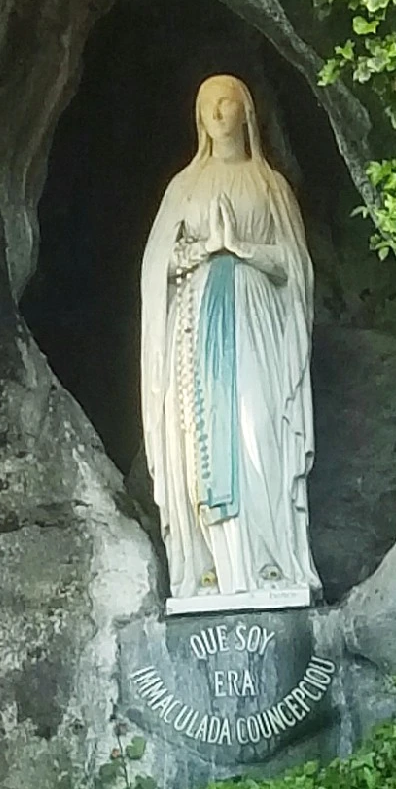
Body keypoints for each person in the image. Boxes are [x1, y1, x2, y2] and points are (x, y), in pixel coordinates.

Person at [140, 74, 320, 604]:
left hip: (257, 324)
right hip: (197, 331)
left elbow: (294, 265)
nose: (218, 113)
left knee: (257, 429)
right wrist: (201, 252)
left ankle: (270, 563)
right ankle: (216, 569)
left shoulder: (270, 186)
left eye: (227, 103)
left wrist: (241, 248)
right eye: (208, 106)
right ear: (198, 118)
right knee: (203, 440)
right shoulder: (185, 187)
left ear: (247, 113)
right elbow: (156, 265)